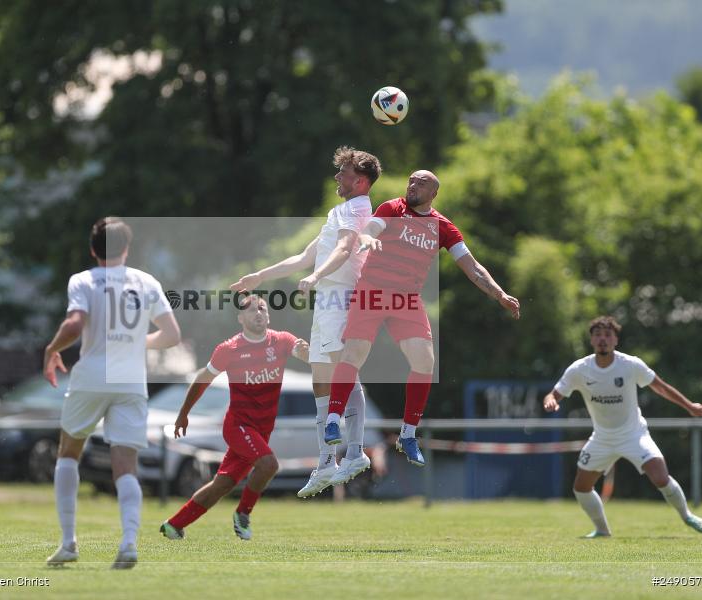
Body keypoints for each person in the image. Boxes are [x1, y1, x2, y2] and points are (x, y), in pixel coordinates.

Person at [324, 170, 521, 465]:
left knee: (425, 361)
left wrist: (499, 294)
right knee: (355, 351)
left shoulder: (443, 227)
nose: (413, 186)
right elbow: (372, 229)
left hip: (406, 299)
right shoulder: (392, 208)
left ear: (434, 193)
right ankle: (332, 419)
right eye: (412, 181)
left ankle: (408, 433)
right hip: (373, 290)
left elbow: (472, 266)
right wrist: (365, 238)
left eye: (421, 183)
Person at [230, 146, 380, 497]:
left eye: (342, 173)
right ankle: (333, 460)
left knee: (337, 375)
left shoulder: (355, 208)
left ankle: (350, 454)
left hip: (338, 299)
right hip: (329, 302)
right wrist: (259, 276)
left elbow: (345, 249)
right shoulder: (342, 209)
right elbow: (304, 256)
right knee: (326, 378)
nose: (336, 178)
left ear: (359, 180)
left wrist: (315, 278)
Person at [43, 217, 181, 569]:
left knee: (68, 453)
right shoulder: (146, 281)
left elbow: (74, 324)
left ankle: (69, 541)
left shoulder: (84, 280)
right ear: (127, 248)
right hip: (130, 378)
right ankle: (129, 542)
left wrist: (51, 348)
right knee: (126, 466)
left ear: (93, 248)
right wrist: (137, 343)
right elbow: (171, 335)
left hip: (91, 375)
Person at [543, 316, 702, 537]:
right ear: (591, 341)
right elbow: (555, 394)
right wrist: (551, 400)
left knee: (661, 478)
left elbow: (660, 387)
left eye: (607, 335)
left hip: (634, 435)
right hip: (602, 438)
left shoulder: (630, 364)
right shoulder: (579, 369)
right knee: (581, 488)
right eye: (597, 335)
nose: (602, 339)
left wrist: (689, 406)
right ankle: (602, 530)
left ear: (616, 340)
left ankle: (688, 516)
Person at [160, 295, 309, 540]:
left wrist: (309, 352)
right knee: (269, 464)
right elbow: (202, 380)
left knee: (224, 484)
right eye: (251, 310)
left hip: (262, 429)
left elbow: (306, 354)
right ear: (241, 318)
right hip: (238, 426)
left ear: (269, 315)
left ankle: (174, 525)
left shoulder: (281, 340)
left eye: (262, 308)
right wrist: (183, 414)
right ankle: (243, 514)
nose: (257, 313)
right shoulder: (229, 349)